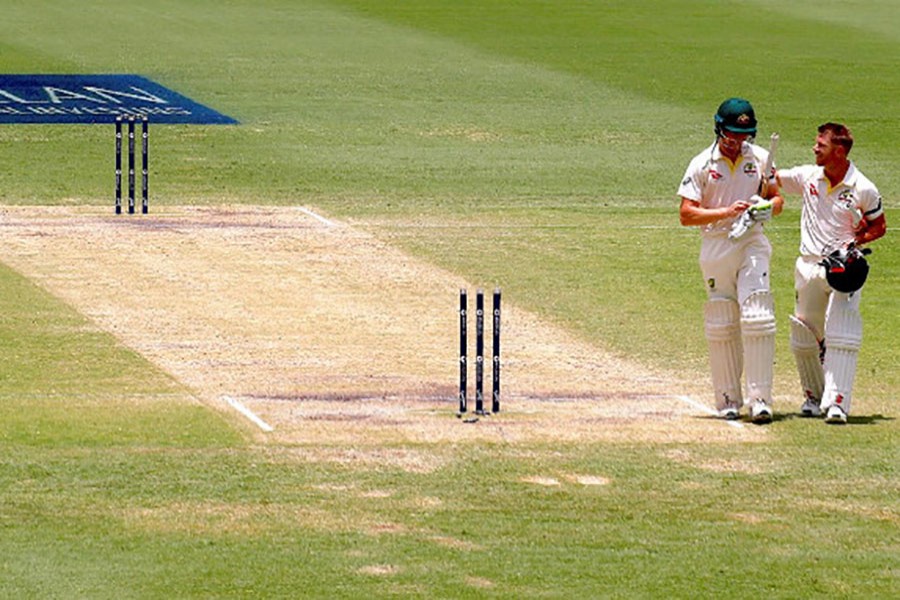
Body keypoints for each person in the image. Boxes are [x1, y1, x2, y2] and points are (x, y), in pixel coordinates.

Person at [678, 98, 784, 423]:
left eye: (744, 136)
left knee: (757, 314)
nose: (738, 143)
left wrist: (766, 208)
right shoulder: (701, 163)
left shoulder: (761, 158)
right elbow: (686, 214)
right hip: (716, 244)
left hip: (752, 240)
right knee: (723, 322)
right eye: (732, 136)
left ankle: (760, 399)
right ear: (719, 129)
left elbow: (777, 198)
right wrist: (725, 212)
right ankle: (727, 399)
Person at [777, 123, 886, 424]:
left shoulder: (863, 187)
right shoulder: (808, 176)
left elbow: (879, 226)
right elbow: (773, 178)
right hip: (809, 266)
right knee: (806, 333)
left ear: (838, 151)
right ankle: (813, 395)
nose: (814, 149)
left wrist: (857, 242)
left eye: (820, 145)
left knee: (841, 332)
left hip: (843, 268)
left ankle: (837, 402)